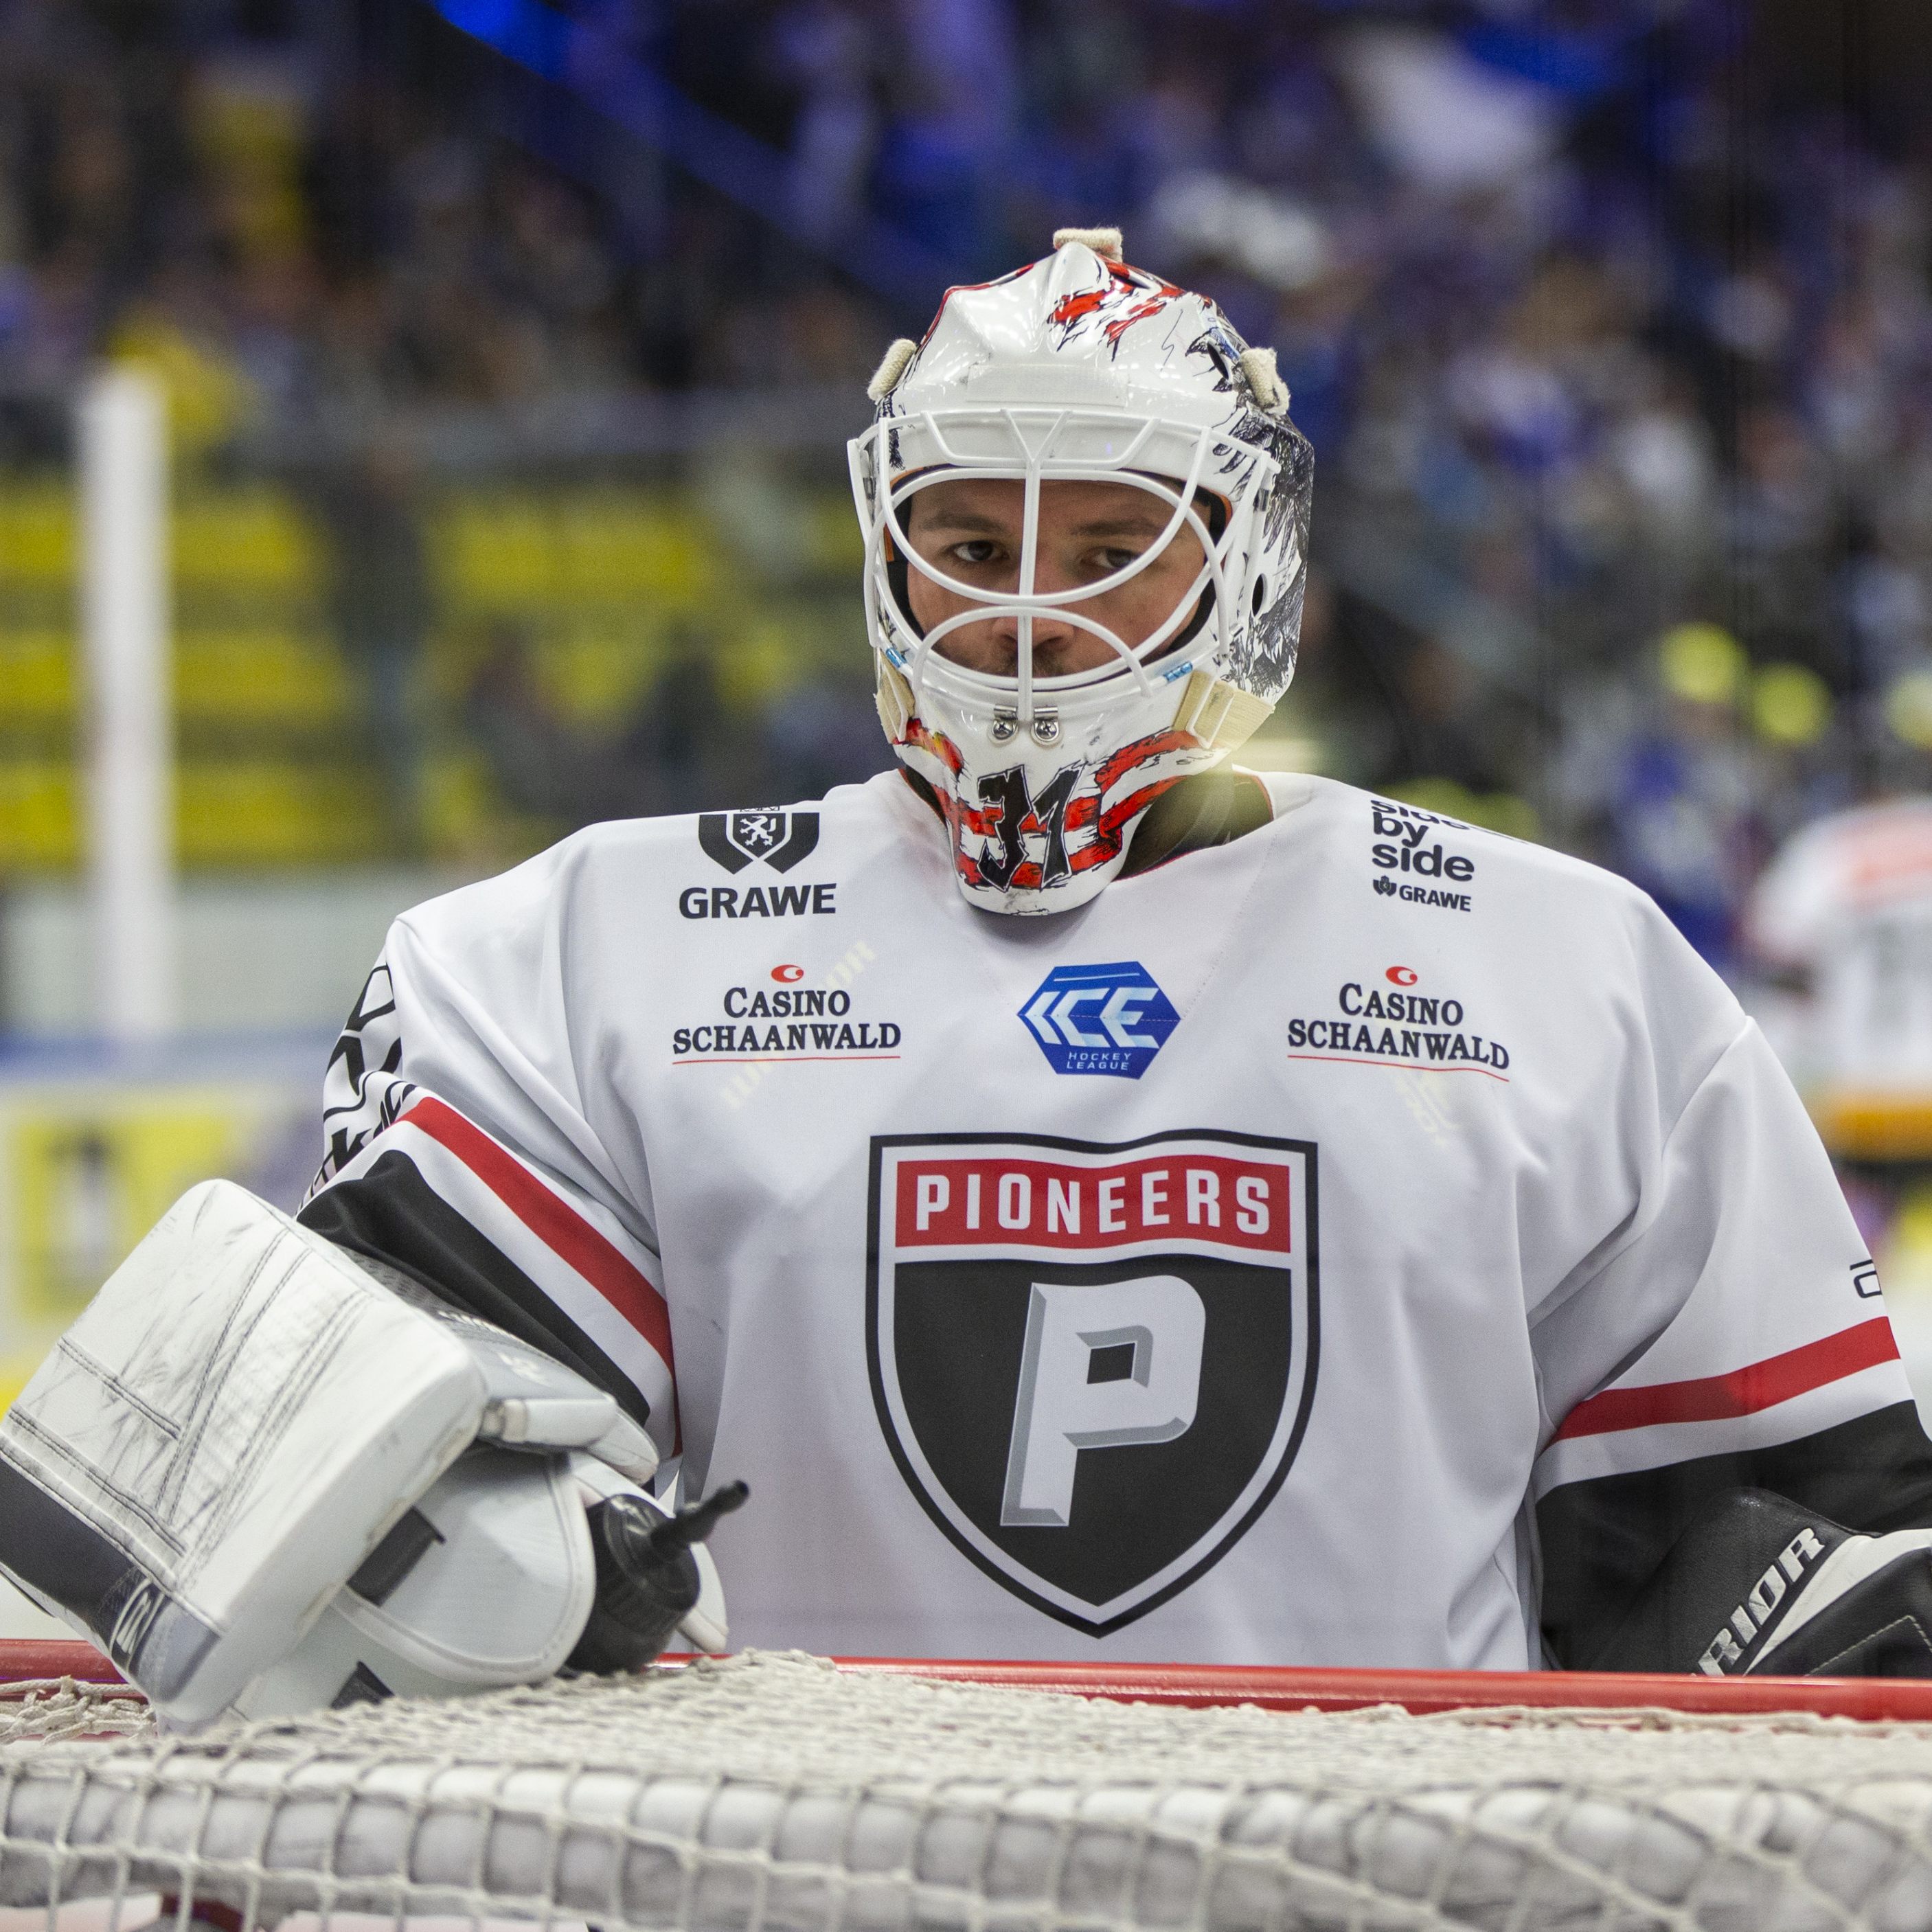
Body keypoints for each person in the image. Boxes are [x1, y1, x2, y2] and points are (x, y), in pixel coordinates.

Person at [7, 233, 1932, 1703]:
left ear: (1241, 571)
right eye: (968, 533)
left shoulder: (1566, 973)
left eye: (1109, 543)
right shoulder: (582, 953)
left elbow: (1792, 1561)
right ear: (886, 556)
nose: (1027, 608)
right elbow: (354, 1551)